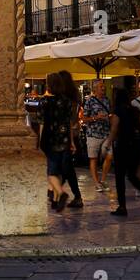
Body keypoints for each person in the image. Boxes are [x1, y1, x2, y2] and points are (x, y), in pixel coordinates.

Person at [108, 77, 140, 216]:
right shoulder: (134, 110)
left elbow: (115, 128)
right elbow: (139, 127)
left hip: (123, 145)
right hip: (136, 144)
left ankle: (122, 207)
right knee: (132, 175)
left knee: (120, 177)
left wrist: (108, 142)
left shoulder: (117, 110)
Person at [38, 73, 76, 211]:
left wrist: (40, 141)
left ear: (49, 85)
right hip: (64, 139)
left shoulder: (45, 101)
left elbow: (42, 123)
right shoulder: (66, 101)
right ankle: (55, 200)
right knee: (58, 171)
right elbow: (69, 122)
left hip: (50, 139)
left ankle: (61, 193)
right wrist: (72, 141)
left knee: (51, 172)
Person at [56, 71, 85, 209]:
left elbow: (66, 120)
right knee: (67, 167)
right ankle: (60, 192)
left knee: (65, 166)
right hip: (73, 132)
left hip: (67, 134)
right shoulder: (74, 97)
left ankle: (58, 192)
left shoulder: (64, 99)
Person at [81, 78, 113, 192]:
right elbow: (83, 119)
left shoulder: (107, 100)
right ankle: (96, 182)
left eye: (103, 86)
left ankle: (103, 180)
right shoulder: (89, 101)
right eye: (101, 87)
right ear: (95, 89)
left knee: (110, 156)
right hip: (93, 133)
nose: (103, 88)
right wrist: (96, 117)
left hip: (106, 133)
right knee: (93, 158)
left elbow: (110, 114)